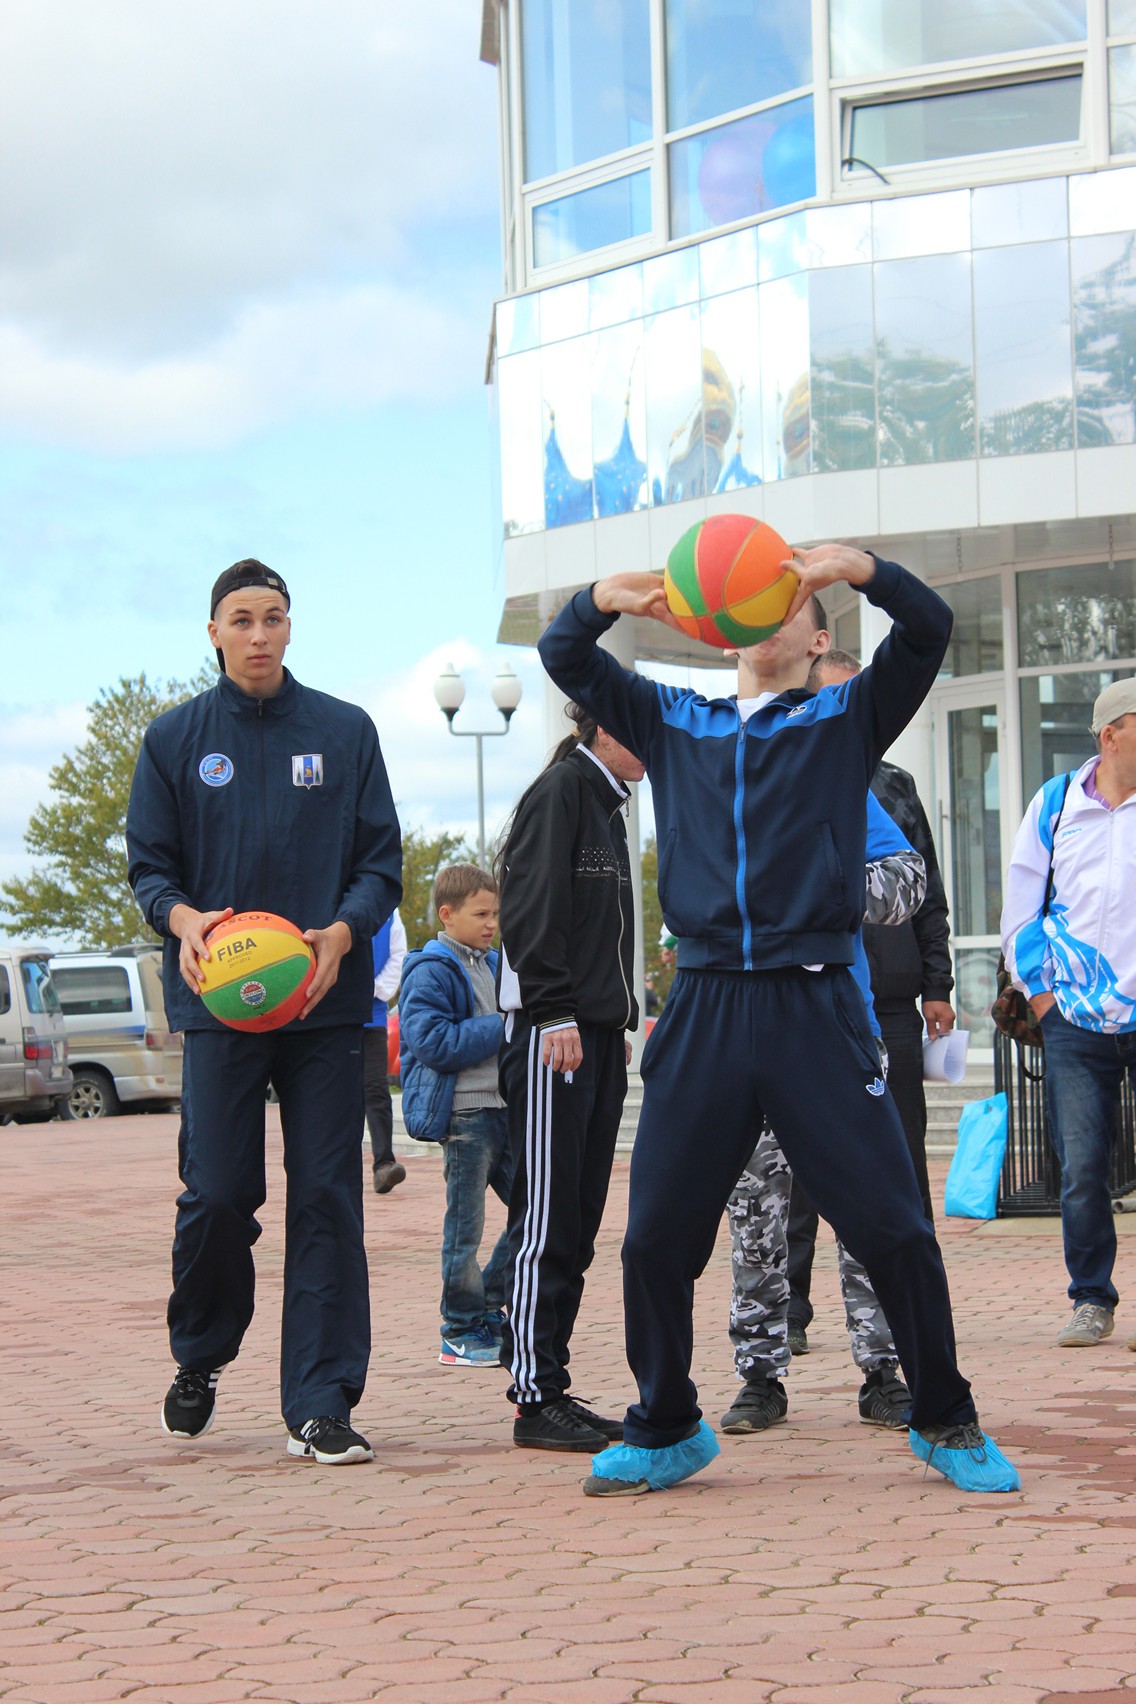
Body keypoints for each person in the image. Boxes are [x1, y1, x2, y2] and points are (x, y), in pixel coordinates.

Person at [538, 543, 1020, 1496]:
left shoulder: (847, 716)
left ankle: (945, 1417)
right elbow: (566, 654)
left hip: (816, 1005)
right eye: (757, 601)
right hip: (706, 1002)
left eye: (793, 601)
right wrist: (613, 595)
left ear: (816, 633)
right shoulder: (675, 718)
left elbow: (929, 629)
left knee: (892, 1225)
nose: (772, 612)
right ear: (727, 633)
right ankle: (668, 1422)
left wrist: (860, 566)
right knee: (654, 1240)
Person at [127, 558, 401, 1464]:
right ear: (213, 631)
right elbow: (150, 869)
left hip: (324, 1004)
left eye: (272, 617)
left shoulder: (346, 731)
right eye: (240, 618)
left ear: (291, 628)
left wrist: (341, 932)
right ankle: (200, 1356)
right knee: (218, 1196)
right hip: (218, 1007)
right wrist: (183, 918)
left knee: (327, 1198)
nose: (257, 633)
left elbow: (381, 864)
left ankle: (319, 1401)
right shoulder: (173, 741)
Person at [723, 790, 924, 1437]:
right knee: (756, 1218)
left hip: (842, 1038)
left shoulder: (837, 782)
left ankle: (883, 1375)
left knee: (869, 1212)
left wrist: (825, 880)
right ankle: (760, 1378)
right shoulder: (717, 778)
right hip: (747, 1039)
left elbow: (908, 882)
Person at [782, 649, 956, 1357]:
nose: (858, 711)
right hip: (807, 1008)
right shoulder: (789, 780)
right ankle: (790, 1310)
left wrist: (938, 984)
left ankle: (915, 1303)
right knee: (797, 1176)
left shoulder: (896, 786)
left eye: (863, 697)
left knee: (900, 1162)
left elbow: (928, 893)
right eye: (842, 698)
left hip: (889, 1008)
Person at [496, 703, 643, 1453]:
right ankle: (532, 1395)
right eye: (640, 729)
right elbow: (529, 908)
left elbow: (602, 933)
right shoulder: (561, 791)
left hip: (592, 1036)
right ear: (603, 731)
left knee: (579, 1219)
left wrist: (614, 1020)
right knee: (547, 1217)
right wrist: (554, 1011)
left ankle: (551, 1382)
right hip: (555, 1038)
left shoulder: (608, 806)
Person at [1000, 676, 1136, 1353]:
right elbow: (1021, 906)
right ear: (1110, 735)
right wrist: (1043, 995)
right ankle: (1091, 1298)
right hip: (1074, 1022)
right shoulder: (1055, 806)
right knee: (1082, 1165)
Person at [398, 864, 514, 1366]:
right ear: (447, 915)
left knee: (539, 1213)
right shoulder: (430, 970)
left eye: (496, 914)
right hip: (466, 1118)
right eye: (481, 914)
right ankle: (460, 1330)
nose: (492, 924)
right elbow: (432, 1043)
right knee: (464, 1231)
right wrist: (505, 1026)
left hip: (507, 1112)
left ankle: (487, 1301)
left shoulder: (492, 964)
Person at [366, 908, 408, 1193]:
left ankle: (383, 1165)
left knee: (376, 1089)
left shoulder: (388, 913)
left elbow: (398, 956)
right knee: (331, 1094)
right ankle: (332, 1166)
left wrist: (374, 988)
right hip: (326, 1014)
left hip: (373, 1016)